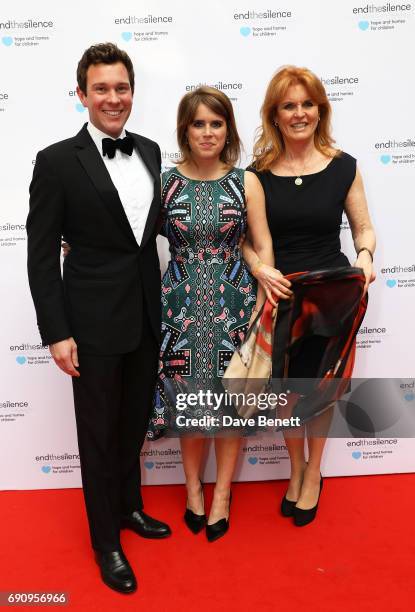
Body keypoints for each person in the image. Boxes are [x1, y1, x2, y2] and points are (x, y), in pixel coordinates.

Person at [26, 43, 171, 594]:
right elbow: (41, 254)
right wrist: (57, 332)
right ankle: (104, 539)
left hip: (144, 313)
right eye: (102, 89)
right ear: (82, 94)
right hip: (89, 323)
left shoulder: (153, 151)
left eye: (122, 87)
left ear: (132, 92)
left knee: (133, 423)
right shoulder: (57, 161)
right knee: (97, 434)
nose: (113, 98)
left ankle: (130, 507)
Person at [147, 86, 282, 541]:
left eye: (216, 123)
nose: (207, 132)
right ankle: (192, 490)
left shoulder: (245, 182)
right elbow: (133, 237)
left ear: (228, 130)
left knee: (227, 406)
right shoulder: (164, 182)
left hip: (234, 306)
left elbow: (262, 245)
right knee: (191, 406)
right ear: (185, 129)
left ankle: (222, 492)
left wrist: (263, 302)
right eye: (198, 123)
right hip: (179, 307)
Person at [243, 65, 376, 526]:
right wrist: (261, 269)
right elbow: (244, 239)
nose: (299, 113)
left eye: (307, 104)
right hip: (284, 296)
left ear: (320, 109)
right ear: (275, 115)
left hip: (333, 295)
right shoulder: (256, 174)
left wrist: (365, 255)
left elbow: (363, 228)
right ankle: (295, 467)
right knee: (284, 393)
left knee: (320, 392)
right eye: (288, 106)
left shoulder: (344, 167)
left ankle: (313, 472)